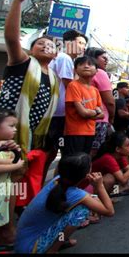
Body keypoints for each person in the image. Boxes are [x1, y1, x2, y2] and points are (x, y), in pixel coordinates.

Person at [0, 0, 59, 159]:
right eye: (40, 43)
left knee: (12, 181)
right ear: (31, 50)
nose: (45, 46)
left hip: (28, 138)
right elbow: (11, 38)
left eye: (50, 45)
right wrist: (17, 0)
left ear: (55, 55)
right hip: (1, 131)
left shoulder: (54, 79)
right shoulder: (23, 62)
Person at [15, 153, 114, 254]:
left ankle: (58, 241)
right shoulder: (76, 194)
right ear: (86, 174)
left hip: (22, 242)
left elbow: (94, 200)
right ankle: (52, 250)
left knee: (89, 201)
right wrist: (100, 185)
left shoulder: (57, 180)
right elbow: (109, 211)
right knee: (82, 210)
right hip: (31, 248)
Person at [44, 30, 88, 184]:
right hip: (59, 114)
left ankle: (48, 185)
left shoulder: (65, 59)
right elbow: (70, 86)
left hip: (57, 113)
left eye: (84, 44)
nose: (83, 47)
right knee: (57, 153)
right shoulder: (65, 58)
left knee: (52, 152)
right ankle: (52, 187)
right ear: (68, 43)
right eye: (80, 42)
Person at [0, 110, 24, 250]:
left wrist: (15, 152)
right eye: (11, 125)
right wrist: (16, 165)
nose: (15, 129)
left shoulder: (5, 145)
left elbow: (11, 160)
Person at [64, 56, 104, 155]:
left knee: (83, 161)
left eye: (90, 64)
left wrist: (90, 112)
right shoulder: (73, 85)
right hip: (75, 132)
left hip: (90, 132)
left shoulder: (95, 90)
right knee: (72, 161)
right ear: (75, 70)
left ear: (96, 71)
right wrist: (96, 111)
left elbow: (102, 114)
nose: (86, 66)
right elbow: (83, 113)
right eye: (81, 64)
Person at [85, 48, 116, 156]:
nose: (106, 61)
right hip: (98, 120)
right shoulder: (100, 72)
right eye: (104, 58)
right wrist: (112, 117)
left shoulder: (80, 71)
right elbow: (110, 101)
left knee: (73, 154)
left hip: (81, 117)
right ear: (94, 57)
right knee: (90, 154)